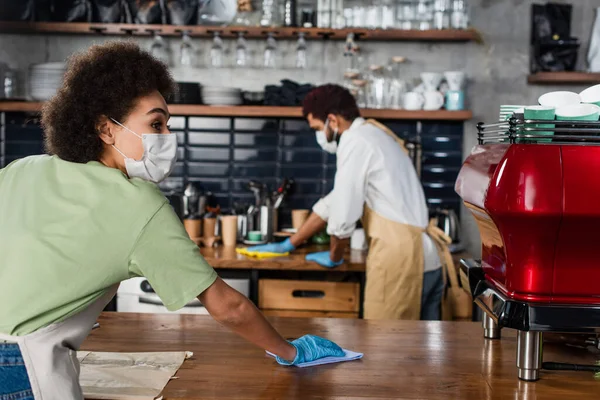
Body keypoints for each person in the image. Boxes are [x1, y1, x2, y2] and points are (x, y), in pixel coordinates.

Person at [0, 42, 345, 400]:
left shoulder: (23, 168)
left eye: (166, 125)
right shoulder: (139, 204)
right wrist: (290, 351)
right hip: (23, 371)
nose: (168, 138)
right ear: (106, 129)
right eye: (155, 124)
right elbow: (228, 307)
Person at [249, 84, 451, 321]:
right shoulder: (374, 134)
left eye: (317, 127)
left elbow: (343, 212)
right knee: (425, 353)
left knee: (385, 346)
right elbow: (334, 201)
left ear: (332, 120)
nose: (319, 136)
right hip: (428, 259)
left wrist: (335, 256)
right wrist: (290, 244)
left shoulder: (355, 141)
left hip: (401, 262)